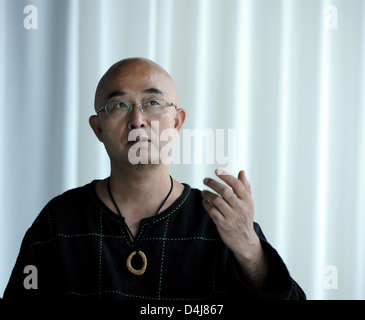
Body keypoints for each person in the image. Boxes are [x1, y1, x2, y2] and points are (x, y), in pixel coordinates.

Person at [3, 58, 305, 301]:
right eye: (119, 105)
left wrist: (250, 249)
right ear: (98, 129)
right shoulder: (60, 221)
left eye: (153, 103)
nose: (137, 120)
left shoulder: (220, 220)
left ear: (176, 122)